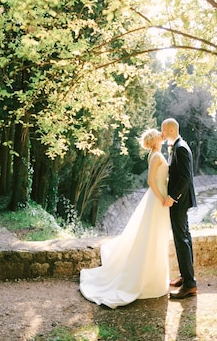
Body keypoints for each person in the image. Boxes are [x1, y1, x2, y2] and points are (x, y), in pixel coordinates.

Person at [79, 128, 170, 309]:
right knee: (153, 236)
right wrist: (163, 199)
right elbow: (151, 181)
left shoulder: (155, 154)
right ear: (154, 142)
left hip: (157, 198)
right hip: (158, 199)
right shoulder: (157, 156)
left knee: (154, 236)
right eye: (158, 134)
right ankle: (147, 279)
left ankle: (152, 276)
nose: (162, 135)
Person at [161, 117, 197, 299]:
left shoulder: (181, 148)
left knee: (181, 239)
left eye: (163, 130)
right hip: (180, 201)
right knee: (184, 237)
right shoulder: (177, 147)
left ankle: (190, 284)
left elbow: (185, 178)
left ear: (171, 131)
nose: (161, 133)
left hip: (179, 201)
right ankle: (186, 277)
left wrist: (172, 197)